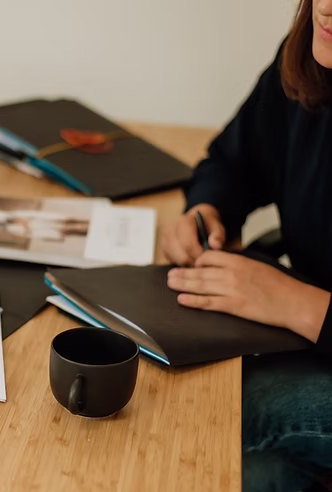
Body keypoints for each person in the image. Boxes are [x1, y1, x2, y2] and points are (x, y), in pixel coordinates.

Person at [161, 0, 332, 490]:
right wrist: (209, 210)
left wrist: (306, 307)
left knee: (209, 415)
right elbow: (234, 162)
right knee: (252, 472)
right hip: (302, 344)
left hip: (309, 335)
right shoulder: (310, 60)